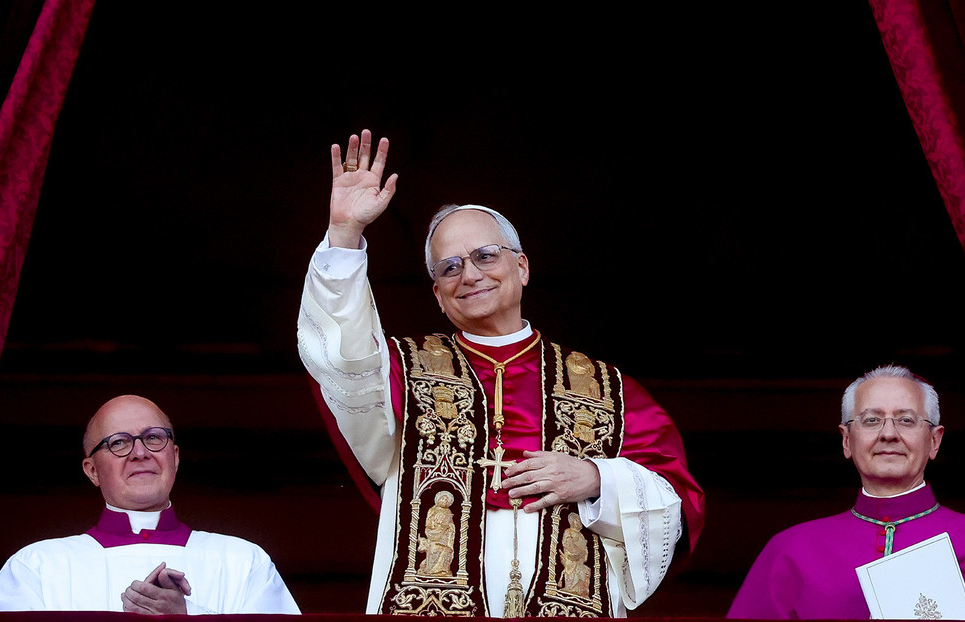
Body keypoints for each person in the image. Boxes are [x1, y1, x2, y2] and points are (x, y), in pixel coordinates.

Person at [296, 129, 705, 617]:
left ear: (523, 267)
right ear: (438, 297)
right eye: (449, 268)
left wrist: (597, 477)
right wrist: (345, 235)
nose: (469, 274)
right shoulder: (400, 371)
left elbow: (677, 503)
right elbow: (339, 359)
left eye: (485, 256)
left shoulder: (606, 388)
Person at [727, 364, 965, 620]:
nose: (889, 434)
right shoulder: (790, 551)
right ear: (846, 440)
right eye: (871, 420)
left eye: (906, 420)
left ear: (935, 440)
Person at [0, 395, 301, 615]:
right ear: (92, 470)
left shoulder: (244, 561)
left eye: (153, 437)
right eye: (118, 442)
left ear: (174, 457)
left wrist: (188, 616)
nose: (140, 453)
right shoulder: (36, 566)